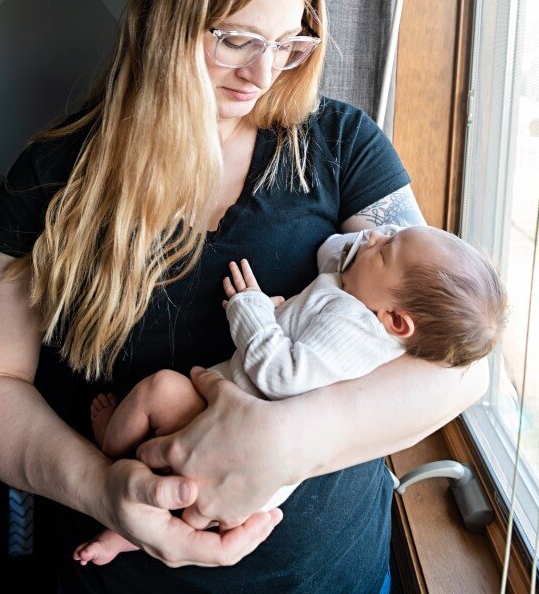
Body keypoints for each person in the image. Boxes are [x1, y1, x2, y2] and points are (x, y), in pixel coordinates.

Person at [0, 0, 488, 594]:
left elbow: (455, 362)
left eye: (288, 44)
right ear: (167, 22)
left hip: (329, 579)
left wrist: (286, 440)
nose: (263, 74)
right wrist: (104, 490)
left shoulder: (342, 148)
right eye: (236, 39)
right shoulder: (53, 176)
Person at [72, 225, 508, 567]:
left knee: (160, 389)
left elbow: (281, 374)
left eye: (385, 248)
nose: (374, 236)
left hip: (228, 436)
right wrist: (302, 304)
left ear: (396, 321)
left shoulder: (355, 330)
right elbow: (332, 254)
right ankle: (126, 533)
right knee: (168, 490)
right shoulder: (362, 298)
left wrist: (252, 308)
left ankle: (111, 446)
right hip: (238, 455)